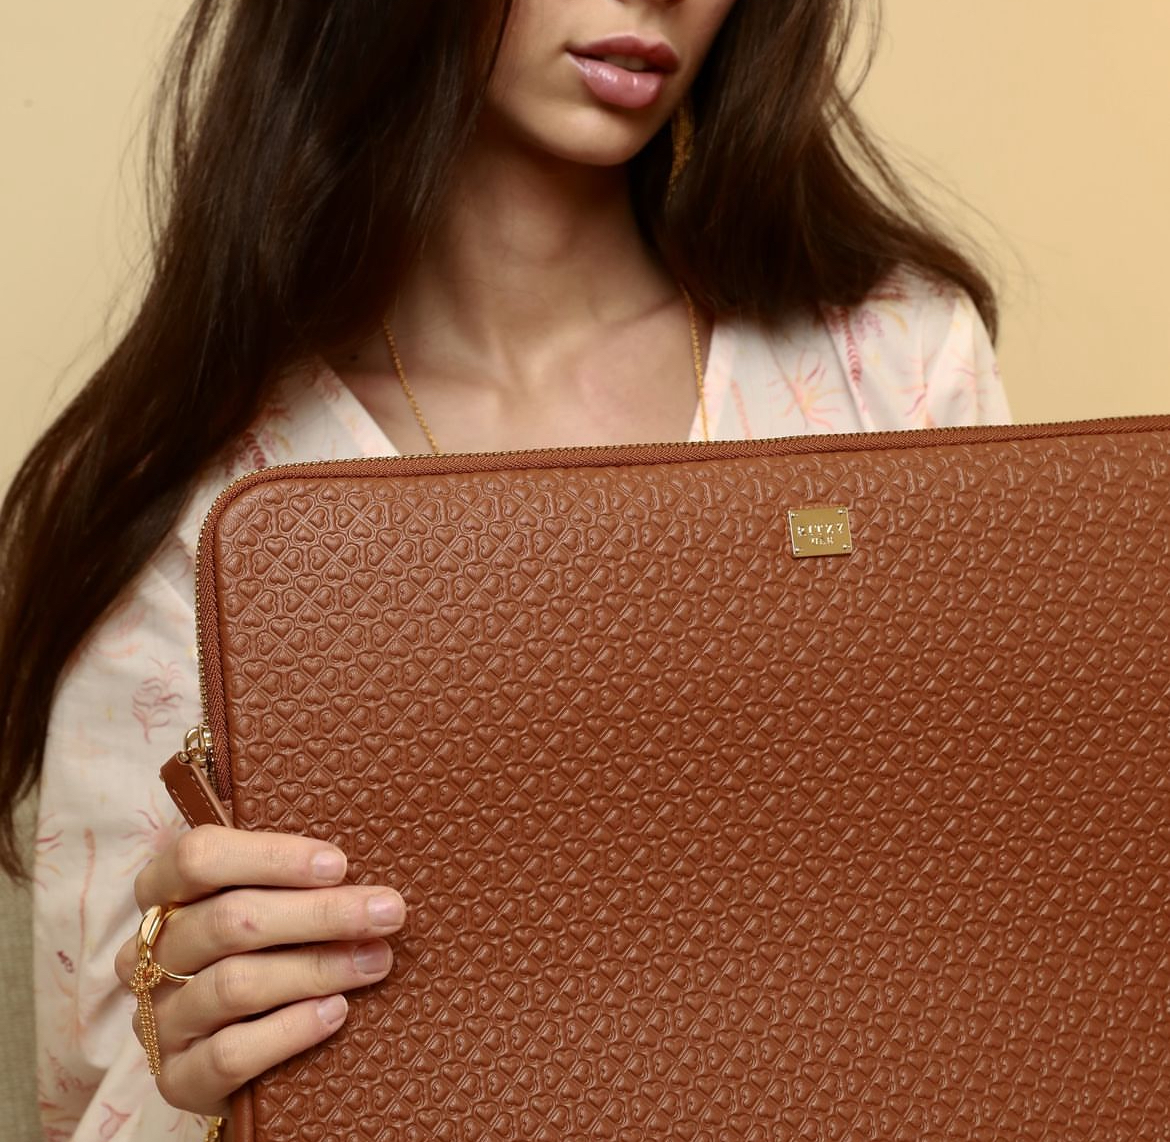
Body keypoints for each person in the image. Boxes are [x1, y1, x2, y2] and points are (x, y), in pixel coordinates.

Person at [0, 0, 1010, 1138]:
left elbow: (1026, 918)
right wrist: (200, 1068)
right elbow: (98, 1090)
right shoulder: (187, 493)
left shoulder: (896, 367)